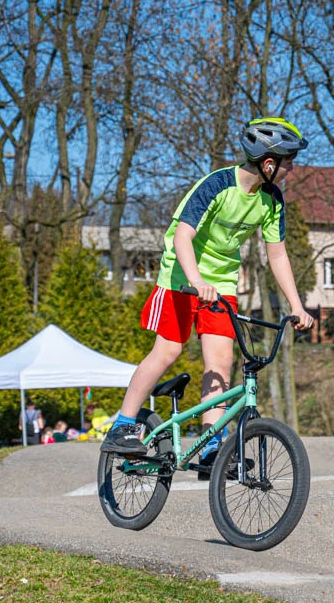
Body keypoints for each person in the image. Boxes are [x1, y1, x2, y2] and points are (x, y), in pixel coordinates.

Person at [99, 117, 315, 479]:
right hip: (180, 277)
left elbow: (277, 254)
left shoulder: (272, 199)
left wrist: (296, 304)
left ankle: (213, 446)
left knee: (221, 363)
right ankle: (122, 425)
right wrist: (196, 280)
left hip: (221, 282)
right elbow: (182, 236)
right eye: (288, 163)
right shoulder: (216, 185)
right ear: (268, 164)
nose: (291, 170)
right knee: (168, 351)